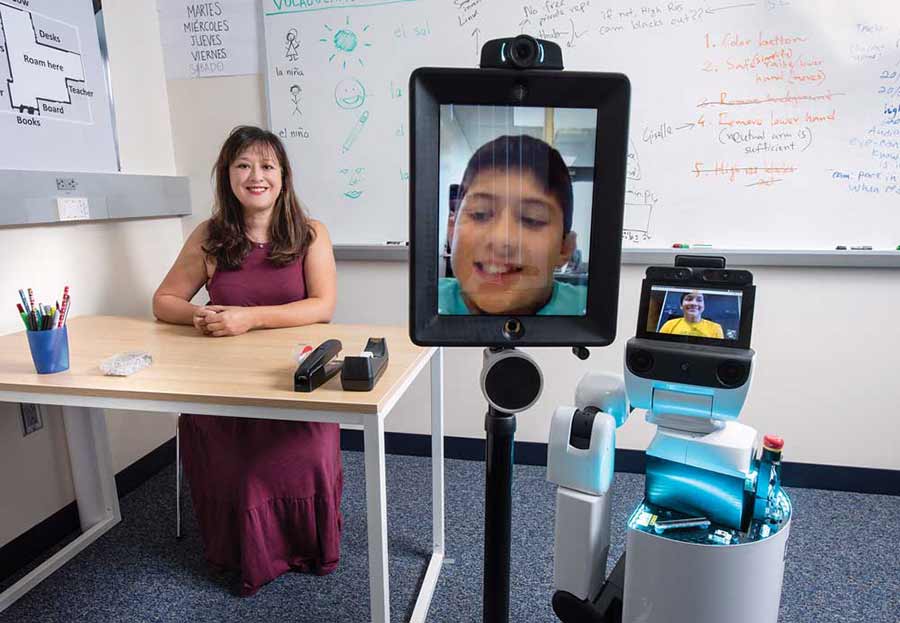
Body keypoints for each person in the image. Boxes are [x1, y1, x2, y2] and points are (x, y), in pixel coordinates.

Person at [152, 125, 339, 596]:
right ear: (228, 177)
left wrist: (250, 319)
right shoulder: (209, 236)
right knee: (237, 463)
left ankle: (304, 544)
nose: (256, 176)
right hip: (223, 384)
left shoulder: (311, 233)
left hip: (293, 380)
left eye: (267, 166)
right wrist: (202, 314)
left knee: (301, 451)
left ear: (283, 177)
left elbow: (322, 306)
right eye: (243, 165)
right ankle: (237, 549)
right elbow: (164, 300)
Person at [438, 134, 585, 316]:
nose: (502, 239)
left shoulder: (588, 308)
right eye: (480, 214)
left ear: (565, 248)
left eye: (532, 219)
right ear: (452, 230)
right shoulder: (422, 304)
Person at [659, 290, 724, 338]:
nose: (694, 303)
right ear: (681, 306)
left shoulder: (716, 328)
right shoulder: (669, 325)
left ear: (703, 306)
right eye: (689, 299)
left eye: (699, 300)